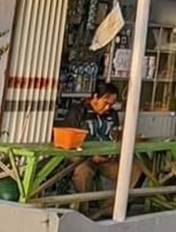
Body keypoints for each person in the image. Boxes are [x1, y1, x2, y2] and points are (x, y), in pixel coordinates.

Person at [60, 83, 140, 217]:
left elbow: (115, 136)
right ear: (95, 97)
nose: (108, 107)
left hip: (106, 159)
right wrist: (90, 156)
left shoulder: (112, 115)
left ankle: (108, 209)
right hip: (82, 157)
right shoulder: (78, 112)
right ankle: (83, 212)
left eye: (112, 104)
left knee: (134, 167)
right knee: (83, 172)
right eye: (106, 102)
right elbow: (69, 141)